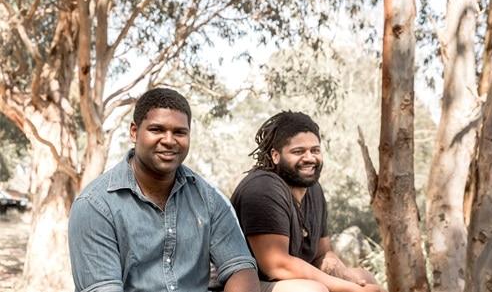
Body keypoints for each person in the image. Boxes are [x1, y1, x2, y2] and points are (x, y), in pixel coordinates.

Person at [68, 88, 259, 292]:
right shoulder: (95, 205)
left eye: (179, 132)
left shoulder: (208, 198)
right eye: (157, 129)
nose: (169, 140)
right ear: (134, 132)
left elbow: (241, 267)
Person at [230, 111, 386, 292]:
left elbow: (321, 254)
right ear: (275, 155)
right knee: (312, 290)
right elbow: (276, 266)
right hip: (244, 284)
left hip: (282, 280)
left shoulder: (312, 189)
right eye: (298, 151)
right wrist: (349, 289)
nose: (310, 158)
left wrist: (354, 283)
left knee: (363, 277)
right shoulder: (263, 189)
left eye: (315, 150)